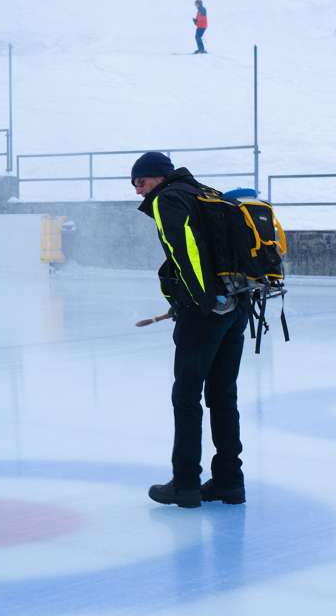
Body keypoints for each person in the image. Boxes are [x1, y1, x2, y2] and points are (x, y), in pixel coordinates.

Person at [132, 151, 248, 508]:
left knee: (187, 397)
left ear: (160, 177)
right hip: (239, 302)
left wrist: (205, 299)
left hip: (209, 311)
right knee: (223, 395)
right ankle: (230, 482)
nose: (139, 191)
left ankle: (185, 484)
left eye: (142, 181)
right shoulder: (204, 192)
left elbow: (188, 252)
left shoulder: (169, 199)